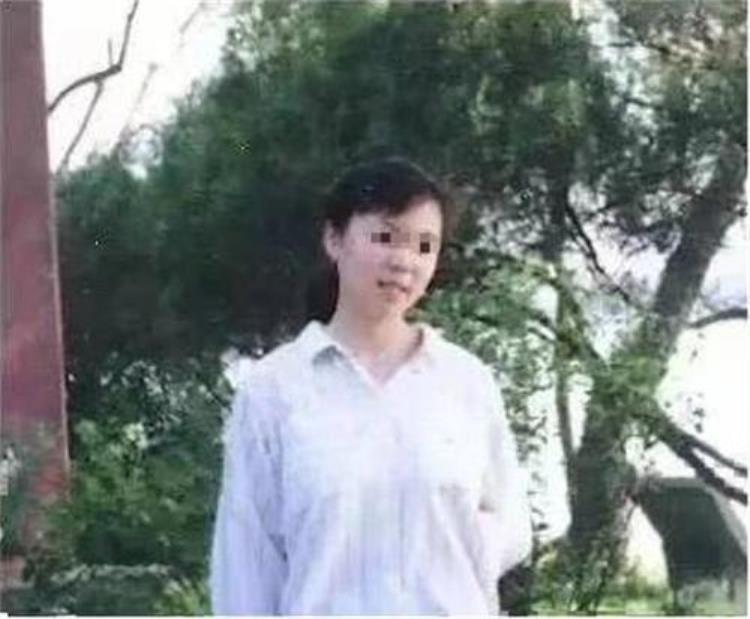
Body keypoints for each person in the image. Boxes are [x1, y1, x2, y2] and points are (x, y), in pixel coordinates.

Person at [210, 157, 532, 615]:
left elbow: (512, 526)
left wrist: (453, 557)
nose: (404, 261)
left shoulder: (466, 382)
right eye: (385, 237)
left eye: (425, 246)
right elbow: (245, 568)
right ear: (334, 239)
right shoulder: (273, 392)